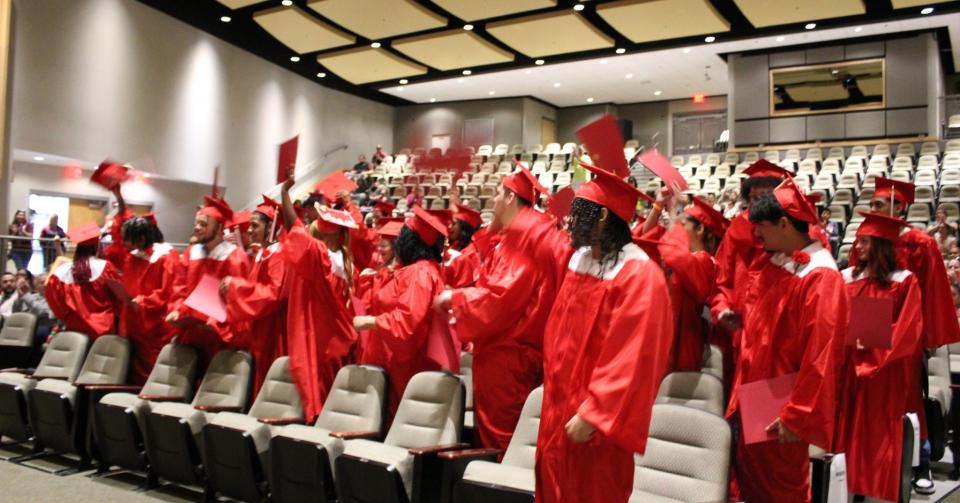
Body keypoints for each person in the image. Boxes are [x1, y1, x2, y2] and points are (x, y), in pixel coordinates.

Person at [535, 163, 674, 503]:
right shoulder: (579, 262)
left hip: (595, 428)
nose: (568, 221)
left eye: (577, 213)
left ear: (600, 219)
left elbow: (634, 358)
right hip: (558, 417)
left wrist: (594, 413)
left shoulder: (639, 275)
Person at [730, 180, 847, 503]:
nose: (757, 235)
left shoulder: (821, 276)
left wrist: (798, 414)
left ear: (784, 224)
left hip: (781, 403)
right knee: (754, 483)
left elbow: (820, 354)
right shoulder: (780, 261)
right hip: (757, 393)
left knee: (783, 490)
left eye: (762, 227)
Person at [434, 164, 556, 451]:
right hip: (501, 357)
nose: (494, 203)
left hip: (509, 359)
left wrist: (455, 298)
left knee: (503, 442)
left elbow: (500, 299)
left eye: (498, 196)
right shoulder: (516, 238)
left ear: (511, 197)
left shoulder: (526, 240)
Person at [863, 177, 960, 492]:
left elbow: (932, 292)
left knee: (909, 402)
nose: (874, 210)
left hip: (906, 335)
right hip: (873, 331)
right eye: (873, 204)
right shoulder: (872, 241)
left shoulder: (919, 243)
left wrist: (927, 339)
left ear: (898, 206)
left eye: (880, 205)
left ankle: (920, 464)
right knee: (873, 401)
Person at [839, 211, 923, 503]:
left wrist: (871, 359)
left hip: (882, 376)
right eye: (858, 241)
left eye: (865, 242)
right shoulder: (846, 278)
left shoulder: (904, 281)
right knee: (844, 436)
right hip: (847, 370)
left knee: (877, 438)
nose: (857, 247)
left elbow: (907, 330)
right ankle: (843, 493)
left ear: (882, 245)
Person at [353, 205, 450, 417]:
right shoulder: (420, 270)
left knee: (393, 419)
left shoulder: (420, 273)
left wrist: (371, 321)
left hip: (402, 366)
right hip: (394, 361)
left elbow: (408, 321)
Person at [278, 170, 358, 421]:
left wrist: (284, 194)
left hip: (324, 338)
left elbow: (296, 228)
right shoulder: (343, 263)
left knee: (322, 391)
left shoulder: (322, 258)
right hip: (338, 338)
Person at [641, 193, 728, 372]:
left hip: (686, 336)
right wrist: (659, 205)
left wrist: (673, 213)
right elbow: (646, 240)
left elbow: (674, 254)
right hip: (669, 329)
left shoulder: (706, 262)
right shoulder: (681, 256)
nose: (676, 230)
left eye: (682, 225)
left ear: (700, 229)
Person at [165, 196, 250, 370]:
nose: (197, 228)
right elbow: (179, 289)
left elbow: (238, 302)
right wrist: (176, 311)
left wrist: (216, 324)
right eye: (196, 223)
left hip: (218, 339)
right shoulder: (191, 253)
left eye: (204, 224)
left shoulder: (235, 258)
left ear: (220, 227)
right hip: (190, 334)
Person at [221, 196, 288, 395]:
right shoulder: (263, 253)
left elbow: (274, 294)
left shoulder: (280, 255)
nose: (249, 230)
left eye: (255, 226)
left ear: (271, 228)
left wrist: (236, 287)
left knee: (267, 386)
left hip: (272, 330)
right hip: (258, 329)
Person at [114, 213, 180, 385]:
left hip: (155, 327)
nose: (123, 243)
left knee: (152, 374)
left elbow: (167, 292)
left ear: (141, 239)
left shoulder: (166, 256)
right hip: (134, 324)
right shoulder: (134, 255)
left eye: (126, 239)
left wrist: (143, 301)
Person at [45, 224, 121, 340]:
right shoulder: (105, 267)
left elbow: (54, 302)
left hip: (74, 332)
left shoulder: (61, 272)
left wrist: (68, 317)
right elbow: (118, 298)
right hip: (102, 331)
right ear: (97, 247)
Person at [443, 204, 483, 288]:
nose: (449, 227)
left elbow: (471, 283)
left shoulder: (471, 252)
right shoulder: (452, 245)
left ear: (463, 228)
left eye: (453, 224)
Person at [13, 272, 55, 347]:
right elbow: (16, 312)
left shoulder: (55, 298)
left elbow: (43, 312)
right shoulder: (31, 296)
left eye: (47, 282)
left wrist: (26, 296)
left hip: (45, 328)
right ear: (36, 286)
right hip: (26, 326)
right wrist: (20, 297)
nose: (45, 284)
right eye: (42, 283)